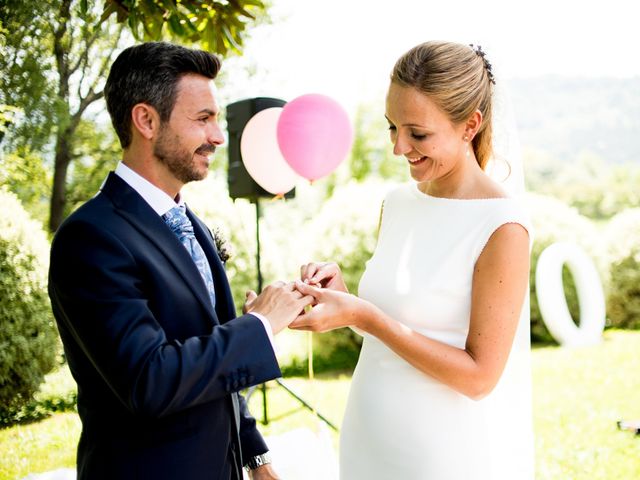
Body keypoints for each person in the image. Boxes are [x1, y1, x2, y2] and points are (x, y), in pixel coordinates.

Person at [48, 42, 313, 480]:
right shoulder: (91, 237)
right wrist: (259, 327)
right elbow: (149, 380)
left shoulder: (193, 225)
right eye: (203, 119)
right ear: (146, 120)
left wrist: (254, 455)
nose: (218, 136)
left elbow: (209, 360)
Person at [292, 41, 535, 479]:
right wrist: (344, 300)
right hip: (368, 437)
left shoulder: (503, 225)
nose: (398, 148)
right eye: (392, 128)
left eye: (418, 134)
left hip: (440, 456)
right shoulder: (396, 203)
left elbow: (480, 377)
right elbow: (400, 324)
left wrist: (366, 317)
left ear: (470, 125)